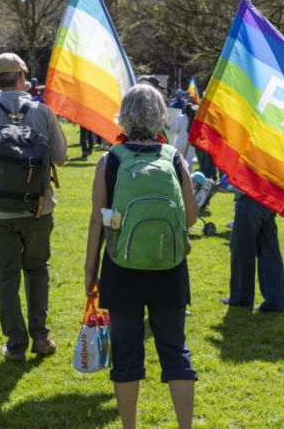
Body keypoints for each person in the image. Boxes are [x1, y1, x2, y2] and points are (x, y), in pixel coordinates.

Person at [83, 84, 198, 429]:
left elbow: (96, 221)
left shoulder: (110, 160)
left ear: (124, 115)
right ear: (160, 115)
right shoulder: (174, 159)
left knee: (127, 351)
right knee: (175, 350)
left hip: (121, 267)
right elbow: (190, 217)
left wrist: (90, 270)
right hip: (170, 266)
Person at [0, 52, 68, 362]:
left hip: (0, 210)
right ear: (23, 77)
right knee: (37, 270)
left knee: (6, 277)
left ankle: (15, 345)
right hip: (39, 208)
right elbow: (62, 158)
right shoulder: (43, 112)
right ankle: (41, 338)